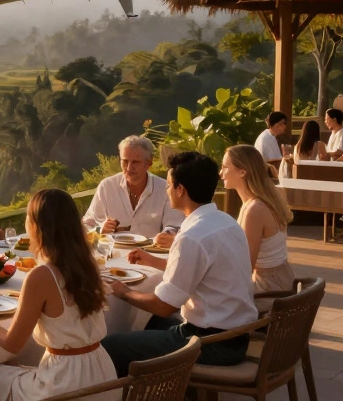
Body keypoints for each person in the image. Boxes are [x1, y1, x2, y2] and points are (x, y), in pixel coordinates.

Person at [101, 151, 258, 376]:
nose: (166, 190)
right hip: (236, 336)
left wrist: (123, 292)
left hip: (211, 343)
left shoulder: (192, 235)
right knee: (146, 323)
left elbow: (165, 306)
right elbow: (201, 271)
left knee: (109, 345)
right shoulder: (226, 221)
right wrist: (151, 260)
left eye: (168, 185)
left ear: (180, 190)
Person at [0, 189, 119, 401]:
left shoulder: (42, 275)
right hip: (102, 375)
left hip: (65, 385)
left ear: (37, 226)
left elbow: (12, 344)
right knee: (10, 369)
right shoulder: (87, 263)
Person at [81, 136, 184, 247]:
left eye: (135, 162)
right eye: (125, 161)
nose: (129, 168)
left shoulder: (164, 188)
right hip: (112, 255)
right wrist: (100, 228)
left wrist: (167, 234)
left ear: (149, 163)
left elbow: (174, 225)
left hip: (150, 255)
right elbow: (86, 225)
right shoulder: (107, 187)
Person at [219, 144, 295, 293]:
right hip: (279, 280)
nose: (220, 172)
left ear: (242, 172)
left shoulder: (254, 210)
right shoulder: (262, 200)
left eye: (225, 167)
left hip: (268, 288)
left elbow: (245, 266)